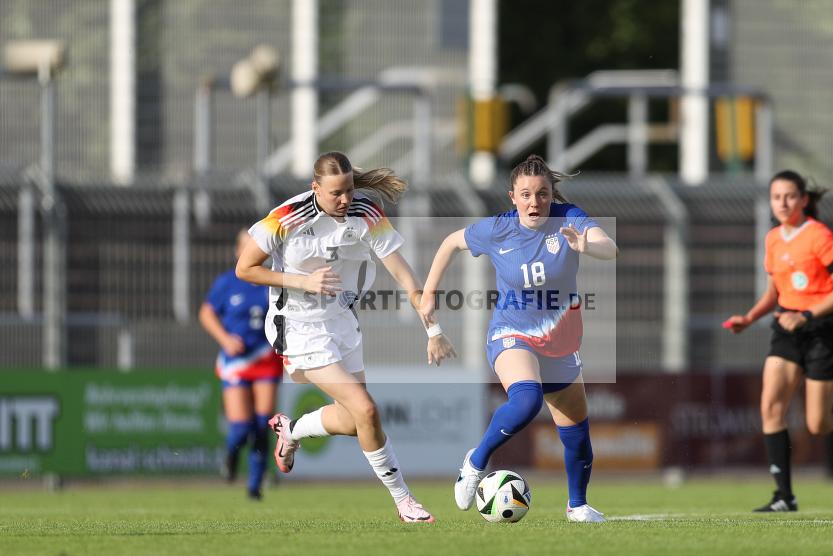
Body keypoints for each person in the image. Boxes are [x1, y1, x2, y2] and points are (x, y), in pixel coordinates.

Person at [236, 151, 455, 523]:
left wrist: (433, 330)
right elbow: (245, 268)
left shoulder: (366, 214)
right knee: (367, 409)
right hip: (298, 327)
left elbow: (404, 277)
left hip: (343, 323)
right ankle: (405, 502)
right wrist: (303, 281)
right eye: (336, 192)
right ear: (315, 188)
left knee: (355, 422)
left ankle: (291, 430)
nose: (345, 199)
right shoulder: (287, 217)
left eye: (350, 190)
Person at [420, 154, 618, 523]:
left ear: (551, 195)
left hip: (559, 339)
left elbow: (610, 246)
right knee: (526, 401)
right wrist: (429, 292)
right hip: (511, 332)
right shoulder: (498, 229)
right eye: (525, 194)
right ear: (512, 196)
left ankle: (577, 506)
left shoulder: (568, 218)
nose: (534, 202)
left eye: (542, 194)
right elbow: (450, 242)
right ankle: (475, 461)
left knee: (576, 430)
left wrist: (586, 245)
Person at [725, 170, 833, 512]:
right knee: (771, 406)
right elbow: (775, 291)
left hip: (824, 331)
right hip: (787, 330)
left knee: (819, 424)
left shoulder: (819, 236)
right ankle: (784, 496)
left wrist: (806, 316)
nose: (783, 203)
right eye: (777, 197)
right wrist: (750, 317)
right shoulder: (773, 238)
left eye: (790, 196)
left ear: (804, 200)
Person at [199, 230, 282, 500]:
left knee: (262, 423)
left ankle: (255, 485)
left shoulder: (273, 281)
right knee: (242, 426)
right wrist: (224, 339)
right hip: (236, 362)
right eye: (247, 248)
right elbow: (207, 313)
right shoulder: (227, 282)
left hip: (266, 359)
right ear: (238, 252)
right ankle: (231, 456)